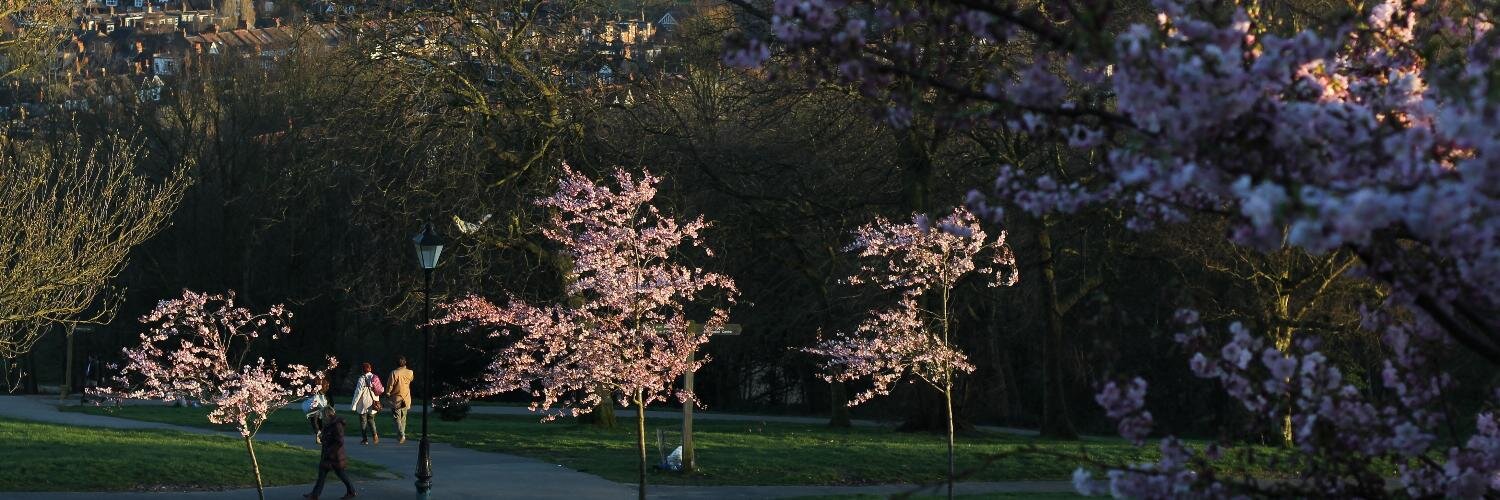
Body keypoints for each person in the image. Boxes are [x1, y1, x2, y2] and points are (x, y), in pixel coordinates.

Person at [305, 405, 356, 499]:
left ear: (327, 415)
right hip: (329, 454)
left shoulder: (336, 425)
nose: (322, 418)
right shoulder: (330, 424)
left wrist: (331, 451)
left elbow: (339, 441)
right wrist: (323, 438)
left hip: (334, 456)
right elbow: (329, 436)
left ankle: (351, 491)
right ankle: (315, 494)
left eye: (323, 416)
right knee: (322, 474)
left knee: (340, 474)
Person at [350, 362, 381, 445]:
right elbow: (378, 390)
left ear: (363, 370)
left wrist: (354, 405)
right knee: (371, 420)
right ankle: (375, 434)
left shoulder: (362, 379)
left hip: (363, 403)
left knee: (363, 421)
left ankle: (365, 439)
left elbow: (358, 392)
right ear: (370, 369)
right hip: (373, 402)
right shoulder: (375, 377)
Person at [386, 356, 414, 444]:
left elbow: (390, 385)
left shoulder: (394, 373)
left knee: (396, 417)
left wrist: (387, 393)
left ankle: (401, 434)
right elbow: (411, 380)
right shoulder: (410, 372)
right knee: (403, 417)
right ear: (405, 363)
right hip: (406, 397)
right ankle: (402, 435)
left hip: (396, 397)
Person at [303, 375, 331, 444]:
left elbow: (327, 391)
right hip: (317, 403)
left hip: (318, 403)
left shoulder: (322, 381)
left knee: (317, 420)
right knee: (317, 420)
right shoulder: (317, 381)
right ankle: (319, 434)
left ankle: (319, 434)